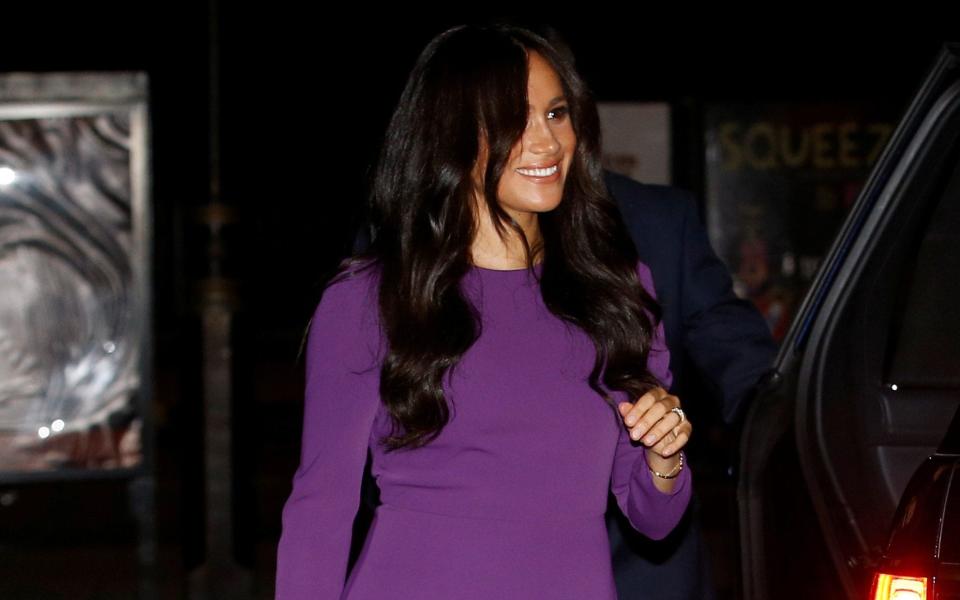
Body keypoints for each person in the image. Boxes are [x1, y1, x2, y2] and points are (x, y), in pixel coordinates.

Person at [275, 22, 694, 599]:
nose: (546, 143)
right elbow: (321, 508)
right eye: (511, 120)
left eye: (555, 113)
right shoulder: (374, 298)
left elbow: (654, 520)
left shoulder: (615, 292)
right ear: (449, 135)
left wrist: (664, 456)